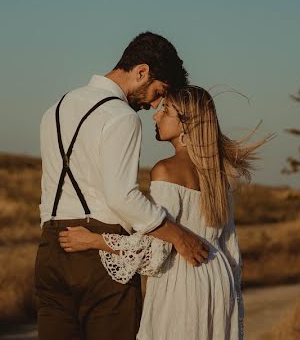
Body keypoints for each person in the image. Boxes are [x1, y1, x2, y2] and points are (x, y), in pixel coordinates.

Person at [35, 32, 210, 340]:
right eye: (158, 91)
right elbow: (122, 198)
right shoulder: (121, 116)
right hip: (100, 258)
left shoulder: (54, 110)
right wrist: (179, 236)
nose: (155, 102)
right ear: (141, 72)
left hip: (51, 249)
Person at [59, 85, 270, 340]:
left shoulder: (166, 171)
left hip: (181, 284)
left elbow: (156, 250)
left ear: (186, 124)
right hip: (219, 281)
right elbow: (232, 251)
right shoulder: (219, 178)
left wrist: (92, 240)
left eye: (166, 111)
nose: (156, 116)